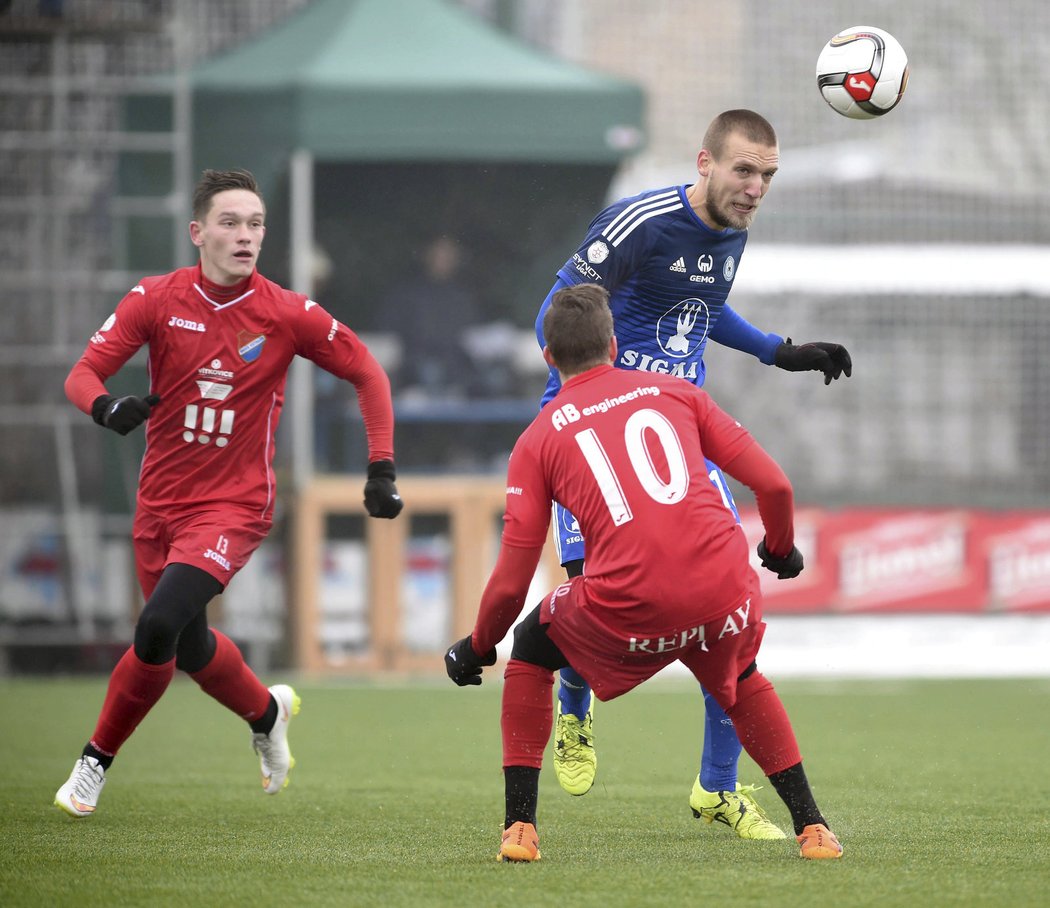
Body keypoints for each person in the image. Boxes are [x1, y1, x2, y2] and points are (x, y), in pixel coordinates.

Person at [533, 109, 851, 835]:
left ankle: (717, 789)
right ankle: (574, 707)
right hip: (595, 436)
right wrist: (595, 392)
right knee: (594, 598)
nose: (755, 188)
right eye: (744, 170)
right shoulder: (640, 221)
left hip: (676, 436)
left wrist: (779, 350)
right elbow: (554, 313)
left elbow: (700, 308)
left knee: (725, 615)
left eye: (768, 176)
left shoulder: (732, 227)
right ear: (703, 162)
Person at [445, 284, 842, 862]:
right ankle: (814, 830)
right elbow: (775, 484)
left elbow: (511, 580)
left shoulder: (537, 438)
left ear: (548, 359)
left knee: (531, 645)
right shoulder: (675, 391)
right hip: (724, 589)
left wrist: (478, 646)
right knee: (743, 675)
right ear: (613, 344)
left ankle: (520, 831)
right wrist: (779, 550)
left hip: (632, 603)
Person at [54, 168, 404, 818]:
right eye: (231, 222)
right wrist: (106, 408)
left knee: (155, 627)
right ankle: (268, 712)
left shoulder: (287, 312)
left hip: (234, 505)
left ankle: (92, 764)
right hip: (159, 504)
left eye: (256, 224)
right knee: (186, 647)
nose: (246, 235)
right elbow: (83, 372)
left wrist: (380, 467)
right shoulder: (155, 300)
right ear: (198, 232)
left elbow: (368, 373)